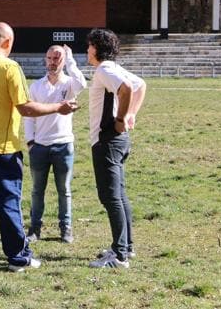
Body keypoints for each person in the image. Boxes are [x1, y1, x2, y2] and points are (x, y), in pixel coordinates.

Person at [0, 22, 79, 272]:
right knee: (8, 202)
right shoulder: (9, 67)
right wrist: (59, 107)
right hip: (2, 147)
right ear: (7, 42)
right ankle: (17, 257)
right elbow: (25, 107)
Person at [85, 29, 146, 269]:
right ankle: (126, 247)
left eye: (89, 46)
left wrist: (122, 119)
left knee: (110, 197)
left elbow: (128, 89)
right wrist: (131, 114)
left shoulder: (104, 69)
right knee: (118, 195)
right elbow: (141, 85)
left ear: (97, 47)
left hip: (107, 140)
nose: (87, 50)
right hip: (116, 141)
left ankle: (119, 255)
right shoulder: (113, 68)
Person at [24, 44, 87, 244]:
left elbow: (82, 83)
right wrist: (30, 141)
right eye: (50, 57)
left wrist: (70, 60)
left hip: (63, 144)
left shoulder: (69, 84)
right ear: (45, 59)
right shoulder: (36, 86)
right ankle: (35, 228)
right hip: (40, 146)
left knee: (64, 190)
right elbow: (28, 116)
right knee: (36, 190)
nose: (52, 62)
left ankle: (65, 228)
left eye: (57, 58)